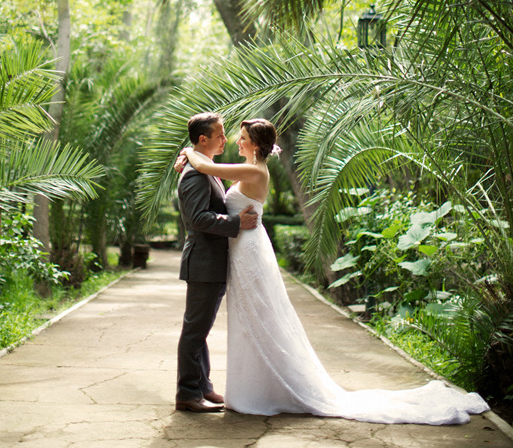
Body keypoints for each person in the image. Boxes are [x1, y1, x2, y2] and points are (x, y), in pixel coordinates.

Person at [178, 117, 490, 425]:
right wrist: (190, 158)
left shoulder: (248, 169)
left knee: (255, 317)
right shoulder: (230, 168)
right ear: (204, 139)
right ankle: (206, 388)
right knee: (228, 322)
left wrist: (189, 155)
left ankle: (247, 386)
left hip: (247, 250)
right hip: (237, 250)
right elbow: (204, 192)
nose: (233, 140)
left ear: (256, 145)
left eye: (241, 137)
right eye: (224, 134)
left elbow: (207, 168)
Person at [175, 112, 257, 413]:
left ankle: (203, 387)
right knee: (194, 331)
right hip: (204, 263)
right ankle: (186, 393)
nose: (226, 139)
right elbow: (198, 219)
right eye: (220, 134)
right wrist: (237, 222)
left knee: (201, 329)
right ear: (202, 139)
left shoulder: (203, 168)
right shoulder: (196, 173)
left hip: (211, 262)